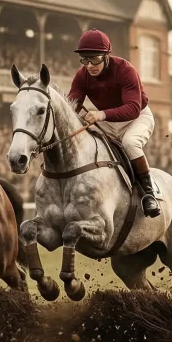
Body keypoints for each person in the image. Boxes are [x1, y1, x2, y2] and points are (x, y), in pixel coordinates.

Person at [67, 29, 160, 218]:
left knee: (129, 143)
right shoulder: (81, 76)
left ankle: (149, 194)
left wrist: (101, 114)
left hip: (137, 118)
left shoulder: (126, 70)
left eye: (95, 59)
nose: (90, 65)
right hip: (108, 121)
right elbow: (72, 105)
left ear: (107, 55)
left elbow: (133, 108)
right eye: (85, 60)